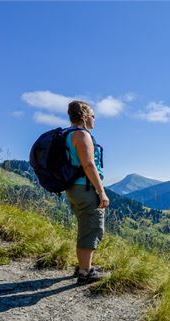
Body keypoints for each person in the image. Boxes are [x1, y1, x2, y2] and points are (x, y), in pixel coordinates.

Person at [64, 100, 110, 283]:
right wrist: (101, 191)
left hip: (74, 187)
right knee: (92, 227)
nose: (94, 119)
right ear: (84, 116)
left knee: (85, 226)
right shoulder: (82, 135)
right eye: (92, 115)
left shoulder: (67, 135)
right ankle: (85, 272)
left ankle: (85, 265)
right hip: (85, 187)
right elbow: (89, 164)